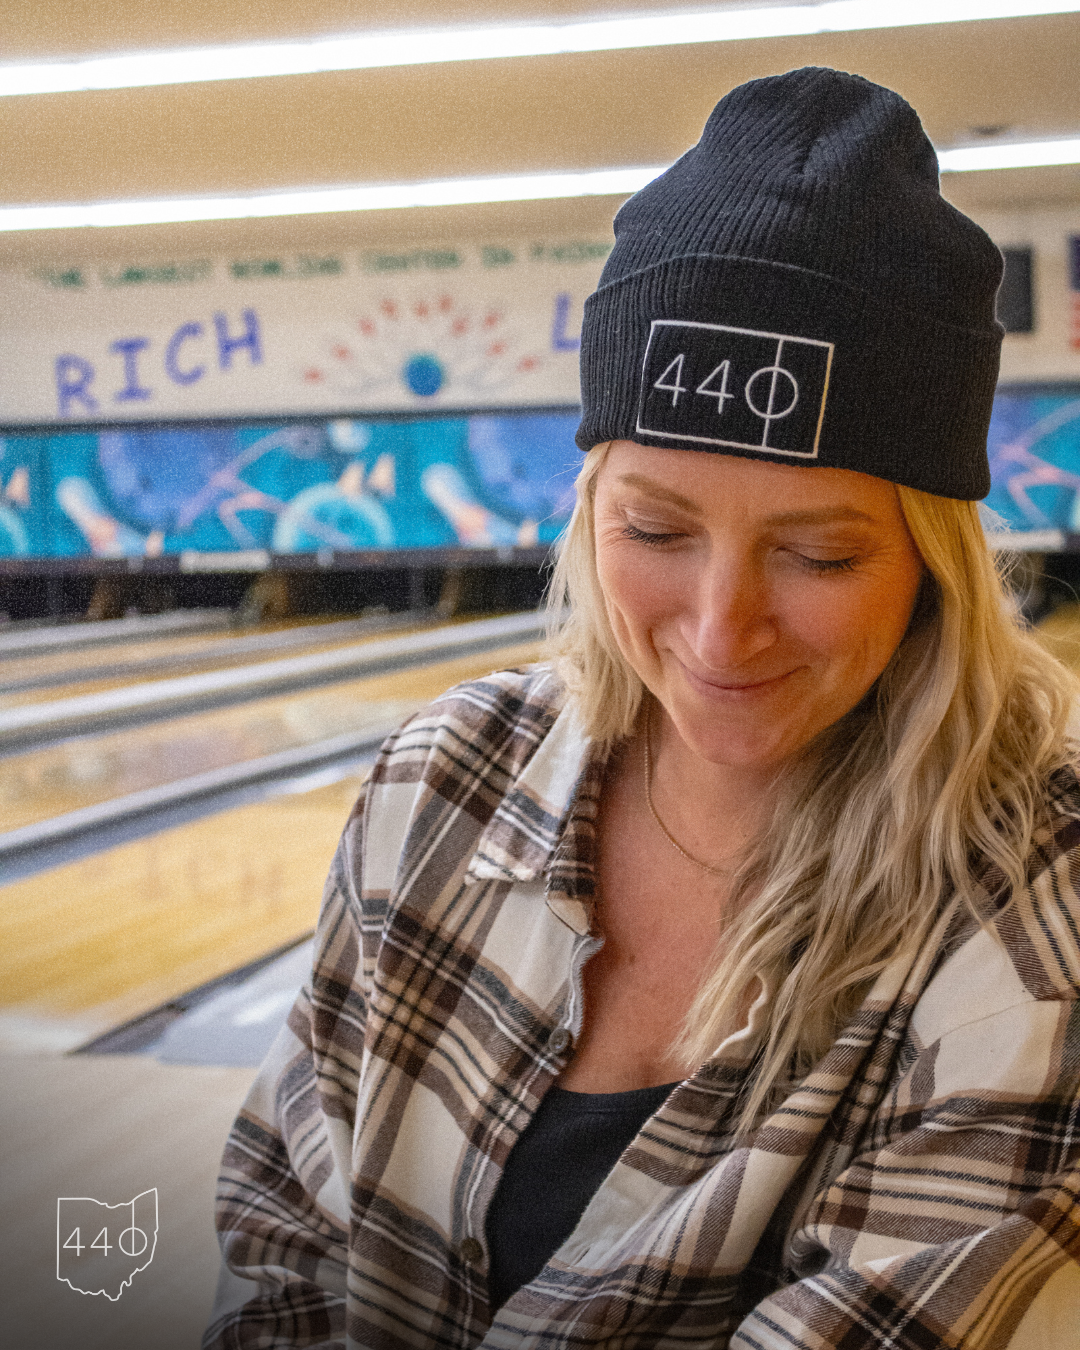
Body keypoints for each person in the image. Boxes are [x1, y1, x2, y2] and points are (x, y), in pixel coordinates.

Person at [204, 68, 1080, 1348]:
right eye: (656, 528)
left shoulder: (1028, 894)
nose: (722, 630)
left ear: (930, 563)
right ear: (587, 511)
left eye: (820, 555)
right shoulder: (440, 777)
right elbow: (283, 1227)